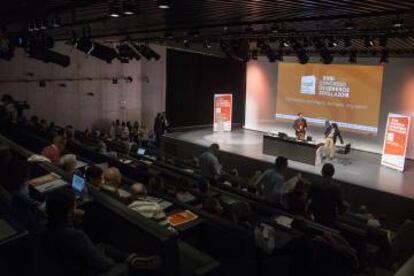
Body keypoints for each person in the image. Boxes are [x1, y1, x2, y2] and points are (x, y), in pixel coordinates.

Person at [45, 189, 160, 275]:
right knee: (115, 260)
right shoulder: (76, 236)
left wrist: (73, 218)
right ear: (69, 212)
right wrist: (111, 260)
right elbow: (103, 265)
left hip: (68, 264)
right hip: (89, 271)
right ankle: (131, 263)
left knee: (103, 246)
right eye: (74, 206)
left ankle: (131, 257)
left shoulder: (47, 226)